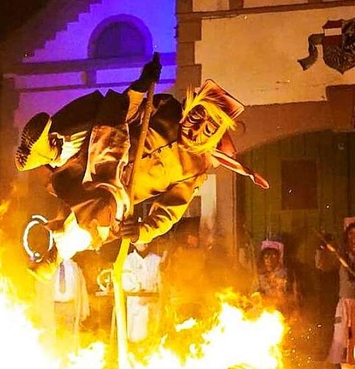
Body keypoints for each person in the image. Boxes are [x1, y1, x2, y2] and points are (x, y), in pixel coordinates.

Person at [14, 54, 269, 266]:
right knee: (103, 112)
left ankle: (53, 259)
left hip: (117, 191)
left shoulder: (193, 170)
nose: (198, 127)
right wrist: (141, 84)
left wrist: (141, 231)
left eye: (208, 128)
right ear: (191, 108)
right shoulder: (168, 107)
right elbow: (130, 109)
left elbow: (169, 213)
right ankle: (47, 150)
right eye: (198, 116)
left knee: (99, 213)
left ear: (214, 137)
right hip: (107, 148)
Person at [328, 220, 355, 369]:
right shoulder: (341, 256)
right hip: (345, 304)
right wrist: (322, 249)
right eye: (351, 235)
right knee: (344, 340)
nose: (354, 238)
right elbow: (322, 265)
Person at [122, 241, 164, 343]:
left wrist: (154, 295)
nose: (145, 244)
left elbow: (161, 281)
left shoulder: (157, 260)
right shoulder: (128, 260)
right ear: (135, 243)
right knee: (137, 330)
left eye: (147, 242)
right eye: (142, 242)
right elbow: (126, 281)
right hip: (136, 300)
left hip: (153, 300)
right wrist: (139, 290)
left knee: (153, 329)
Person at [255, 240, 300, 318]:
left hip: (284, 313)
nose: (269, 259)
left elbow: (295, 295)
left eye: (273, 255)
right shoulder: (259, 277)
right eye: (267, 256)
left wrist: (295, 312)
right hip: (265, 314)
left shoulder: (287, 274)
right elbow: (254, 294)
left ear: (279, 257)